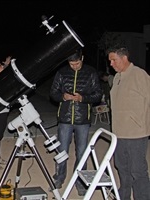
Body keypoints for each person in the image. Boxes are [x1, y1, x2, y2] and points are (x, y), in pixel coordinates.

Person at [49, 49, 102, 196]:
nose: (75, 66)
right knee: (62, 151)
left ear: (82, 58)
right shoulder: (62, 73)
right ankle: (59, 178)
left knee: (82, 152)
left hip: (82, 119)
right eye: (72, 64)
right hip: (65, 118)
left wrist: (82, 98)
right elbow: (53, 93)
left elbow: (98, 94)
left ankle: (80, 181)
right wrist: (63, 96)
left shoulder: (91, 72)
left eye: (77, 63)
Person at [107, 45, 150, 200]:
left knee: (137, 171)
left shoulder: (139, 74)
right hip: (119, 133)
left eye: (113, 60)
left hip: (136, 133)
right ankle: (123, 196)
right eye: (110, 60)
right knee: (122, 168)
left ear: (124, 58)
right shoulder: (118, 77)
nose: (111, 64)